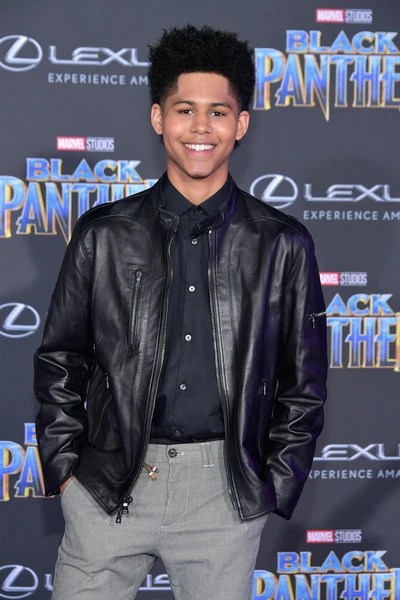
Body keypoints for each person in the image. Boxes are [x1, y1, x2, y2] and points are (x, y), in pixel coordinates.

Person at [34, 24, 327, 600]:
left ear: (241, 124)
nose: (200, 127)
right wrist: (67, 471)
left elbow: (304, 385)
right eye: (184, 109)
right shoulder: (103, 234)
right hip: (108, 482)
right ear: (157, 118)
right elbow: (61, 359)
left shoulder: (282, 243)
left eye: (218, 112)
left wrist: (269, 486)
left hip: (223, 494)